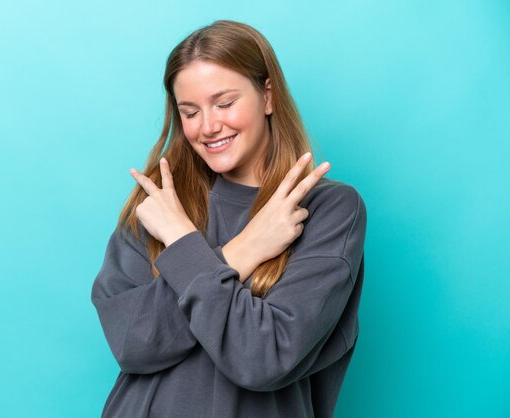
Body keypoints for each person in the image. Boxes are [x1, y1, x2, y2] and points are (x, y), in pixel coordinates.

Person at [91, 19, 367, 418]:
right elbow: (131, 341)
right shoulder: (160, 205)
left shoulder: (328, 210)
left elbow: (264, 358)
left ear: (267, 96)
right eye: (190, 111)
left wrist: (184, 254)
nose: (208, 126)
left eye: (224, 103)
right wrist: (240, 252)